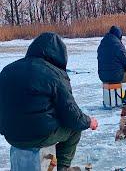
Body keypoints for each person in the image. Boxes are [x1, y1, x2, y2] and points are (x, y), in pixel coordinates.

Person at [0, 32, 98, 171]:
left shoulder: (7, 70)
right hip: (37, 135)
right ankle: (62, 168)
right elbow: (73, 116)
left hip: (11, 135)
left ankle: (50, 164)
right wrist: (89, 122)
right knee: (74, 130)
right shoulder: (54, 74)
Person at [97, 26, 126, 106]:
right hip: (115, 76)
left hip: (102, 76)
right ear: (119, 35)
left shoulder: (102, 44)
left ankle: (114, 99)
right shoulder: (117, 44)